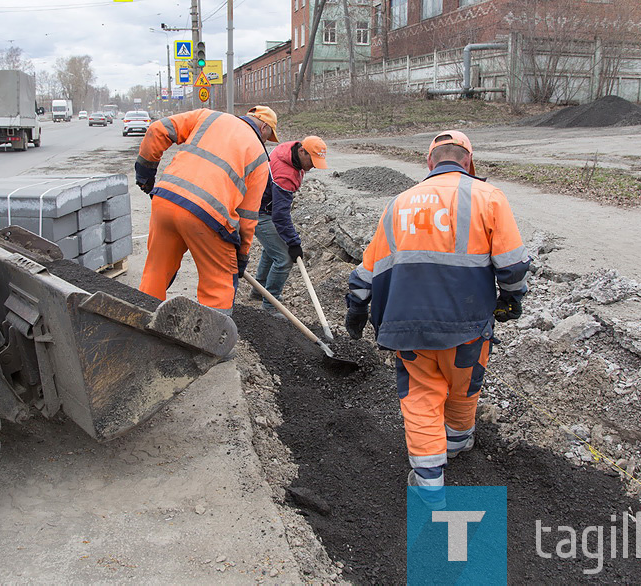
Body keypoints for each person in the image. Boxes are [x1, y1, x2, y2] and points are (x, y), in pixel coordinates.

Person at [344, 130, 529, 509]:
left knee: (421, 397)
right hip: (468, 326)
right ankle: (458, 443)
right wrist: (512, 301)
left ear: (429, 163)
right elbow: (512, 267)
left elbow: (366, 273)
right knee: (464, 387)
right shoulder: (488, 197)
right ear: (468, 163)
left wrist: (356, 313)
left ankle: (429, 483)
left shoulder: (399, 204)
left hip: (408, 326)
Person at [134, 106, 276, 314]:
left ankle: (141, 319)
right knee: (219, 283)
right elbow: (247, 217)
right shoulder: (260, 158)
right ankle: (209, 343)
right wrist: (241, 257)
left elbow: (157, 130)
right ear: (263, 126)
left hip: (165, 200)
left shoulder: (207, 116)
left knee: (156, 271)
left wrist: (145, 172)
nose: (266, 141)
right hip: (209, 216)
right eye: (268, 136)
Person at [250, 135, 328, 312]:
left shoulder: (288, 150)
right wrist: (293, 243)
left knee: (271, 249)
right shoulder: (286, 175)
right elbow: (280, 215)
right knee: (284, 258)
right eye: (312, 161)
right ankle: (271, 304)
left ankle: (258, 290)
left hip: (261, 205)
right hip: (259, 212)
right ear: (302, 151)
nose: (313, 166)